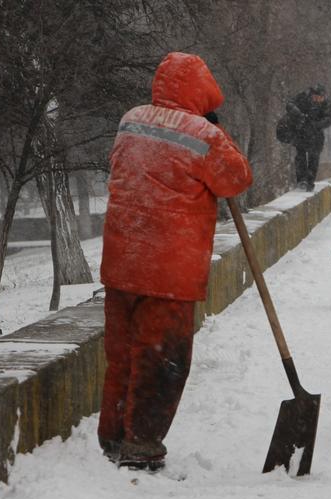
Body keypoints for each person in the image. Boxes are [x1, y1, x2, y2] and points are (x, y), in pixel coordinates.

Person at [98, 52, 253, 471]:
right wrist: (220, 136)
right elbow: (236, 179)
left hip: (123, 259)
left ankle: (113, 435)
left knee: (123, 353)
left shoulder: (130, 120)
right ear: (203, 92)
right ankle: (142, 445)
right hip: (170, 270)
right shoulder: (203, 134)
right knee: (162, 359)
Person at [286, 84, 331, 192]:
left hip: (316, 135)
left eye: (321, 98)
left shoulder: (326, 103)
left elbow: (328, 119)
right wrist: (299, 115)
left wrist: (316, 125)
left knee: (314, 158)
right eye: (316, 97)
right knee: (300, 156)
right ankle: (301, 180)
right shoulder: (302, 98)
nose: (318, 100)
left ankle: (310, 182)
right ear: (312, 95)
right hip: (301, 133)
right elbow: (289, 105)